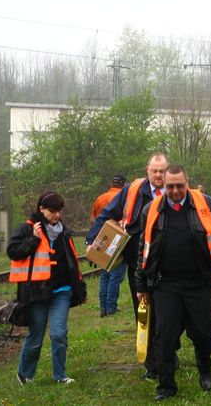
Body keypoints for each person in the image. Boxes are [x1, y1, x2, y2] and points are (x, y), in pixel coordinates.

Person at [135, 164, 211, 401]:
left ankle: (204, 367)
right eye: (170, 186)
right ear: (163, 185)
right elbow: (143, 250)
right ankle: (166, 386)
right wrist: (140, 284)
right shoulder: (150, 210)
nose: (175, 191)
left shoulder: (207, 204)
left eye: (179, 186)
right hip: (165, 284)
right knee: (163, 337)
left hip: (199, 282)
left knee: (203, 333)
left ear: (188, 182)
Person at [85, 153, 168, 379]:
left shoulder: (177, 189)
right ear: (147, 170)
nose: (158, 175)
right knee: (144, 313)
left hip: (169, 267)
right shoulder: (132, 190)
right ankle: (153, 364)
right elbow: (106, 214)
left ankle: (167, 353)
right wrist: (92, 241)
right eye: (154, 171)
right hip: (138, 265)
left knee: (168, 315)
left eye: (162, 171)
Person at [7, 191, 87, 385]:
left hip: (62, 291)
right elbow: (13, 252)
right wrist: (33, 240)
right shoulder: (27, 229)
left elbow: (72, 263)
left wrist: (79, 289)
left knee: (59, 333)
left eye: (59, 211)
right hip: (37, 292)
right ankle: (25, 375)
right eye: (52, 211)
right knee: (36, 335)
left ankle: (60, 376)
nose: (56, 215)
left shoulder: (64, 232)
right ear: (41, 209)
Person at [91, 173, 127, 317]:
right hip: (117, 238)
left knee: (104, 274)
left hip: (102, 238)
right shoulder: (125, 197)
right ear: (124, 184)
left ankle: (103, 308)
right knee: (116, 274)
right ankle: (111, 307)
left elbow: (93, 219)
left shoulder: (100, 198)